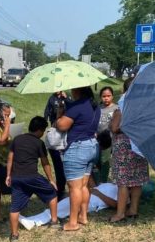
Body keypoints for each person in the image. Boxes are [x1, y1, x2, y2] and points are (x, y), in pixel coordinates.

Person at [5, 116, 59, 242]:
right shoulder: (39, 143)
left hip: (16, 177)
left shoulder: (17, 139)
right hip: (32, 177)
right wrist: (51, 180)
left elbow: (10, 158)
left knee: (15, 207)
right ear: (40, 130)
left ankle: (14, 235)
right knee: (52, 193)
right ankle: (54, 221)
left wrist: (8, 175)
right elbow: (45, 163)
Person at [56, 86, 100, 231]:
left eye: (73, 90)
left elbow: (62, 126)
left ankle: (72, 222)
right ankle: (83, 216)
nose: (71, 92)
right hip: (91, 145)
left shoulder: (77, 106)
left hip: (77, 147)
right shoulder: (94, 106)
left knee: (74, 187)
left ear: (77, 91)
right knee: (83, 185)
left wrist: (60, 115)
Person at [108, 78, 150, 223]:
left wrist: (122, 124)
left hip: (124, 147)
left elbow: (114, 128)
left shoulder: (122, 106)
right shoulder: (145, 106)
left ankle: (120, 214)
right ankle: (133, 209)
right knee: (137, 180)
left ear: (124, 90)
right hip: (139, 145)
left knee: (123, 182)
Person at [18, 182, 118, 230]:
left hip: (92, 202)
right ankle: (32, 220)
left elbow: (115, 204)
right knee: (59, 207)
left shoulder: (122, 192)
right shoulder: (113, 184)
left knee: (60, 210)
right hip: (86, 196)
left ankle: (33, 222)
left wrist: (97, 193)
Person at [43, 91, 68, 199]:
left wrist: (66, 99)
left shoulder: (68, 97)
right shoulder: (51, 98)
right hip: (56, 130)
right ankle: (60, 189)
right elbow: (47, 111)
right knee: (59, 167)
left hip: (67, 131)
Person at [94, 86, 119, 183]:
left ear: (112, 96)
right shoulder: (98, 108)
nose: (106, 98)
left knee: (106, 161)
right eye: (104, 96)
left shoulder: (116, 108)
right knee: (98, 160)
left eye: (108, 96)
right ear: (100, 97)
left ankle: (103, 181)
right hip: (99, 139)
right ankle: (98, 180)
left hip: (112, 140)